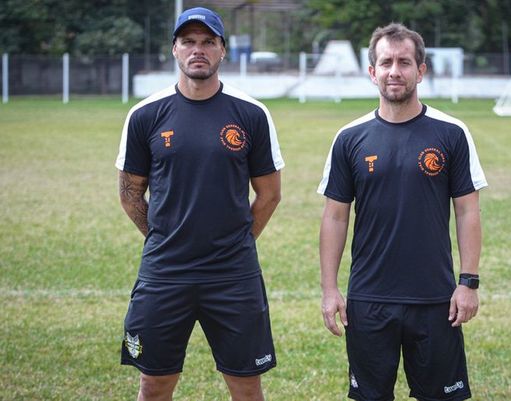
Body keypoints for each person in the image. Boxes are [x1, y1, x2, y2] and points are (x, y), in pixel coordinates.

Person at [115, 6, 284, 401]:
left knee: (246, 386)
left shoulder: (252, 114)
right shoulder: (145, 115)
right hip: (165, 271)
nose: (198, 50)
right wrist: (165, 234)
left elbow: (270, 193)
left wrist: (238, 239)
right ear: (174, 49)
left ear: (223, 50)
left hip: (233, 274)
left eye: (208, 42)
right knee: (153, 385)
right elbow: (129, 193)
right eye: (188, 41)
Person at [317, 23, 487, 401]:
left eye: (405, 62)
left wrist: (468, 282)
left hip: (435, 299)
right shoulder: (349, 138)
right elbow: (335, 216)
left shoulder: (451, 133)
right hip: (369, 299)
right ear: (372, 72)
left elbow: (467, 211)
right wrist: (330, 289)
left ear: (421, 71)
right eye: (386, 62)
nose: (395, 70)